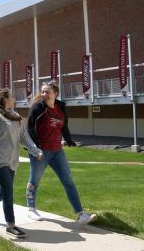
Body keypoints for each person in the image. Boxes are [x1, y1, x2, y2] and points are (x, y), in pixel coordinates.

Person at [26, 81, 97, 225]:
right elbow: (30, 129)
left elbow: (64, 126)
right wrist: (35, 148)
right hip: (41, 151)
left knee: (68, 181)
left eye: (47, 92)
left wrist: (68, 139)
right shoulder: (37, 107)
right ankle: (31, 209)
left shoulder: (60, 107)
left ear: (55, 93)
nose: (44, 94)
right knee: (34, 180)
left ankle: (80, 215)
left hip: (57, 151)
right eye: (43, 92)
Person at [0, 88, 43, 238]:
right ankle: (11, 225)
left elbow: (25, 138)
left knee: (4, 191)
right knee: (9, 191)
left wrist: (36, 151)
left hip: (12, 161)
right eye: (11, 96)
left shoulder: (16, 117)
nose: (14, 98)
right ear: (5, 99)